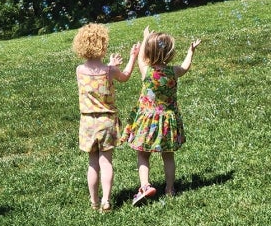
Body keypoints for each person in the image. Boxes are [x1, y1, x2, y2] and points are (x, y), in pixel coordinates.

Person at [121, 26, 201, 205]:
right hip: (167, 120)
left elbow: (142, 57)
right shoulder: (173, 71)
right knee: (168, 155)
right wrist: (191, 51)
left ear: (149, 52)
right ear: (169, 53)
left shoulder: (147, 71)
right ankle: (170, 189)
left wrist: (145, 38)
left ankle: (145, 186)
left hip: (147, 121)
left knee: (142, 154)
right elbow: (186, 67)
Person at [73, 23, 140, 212]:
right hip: (106, 122)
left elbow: (96, 73)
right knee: (106, 162)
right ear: (102, 45)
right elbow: (125, 76)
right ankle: (106, 200)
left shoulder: (79, 70)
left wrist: (110, 65)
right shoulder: (109, 71)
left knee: (92, 164)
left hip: (87, 122)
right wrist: (132, 57)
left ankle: (94, 202)